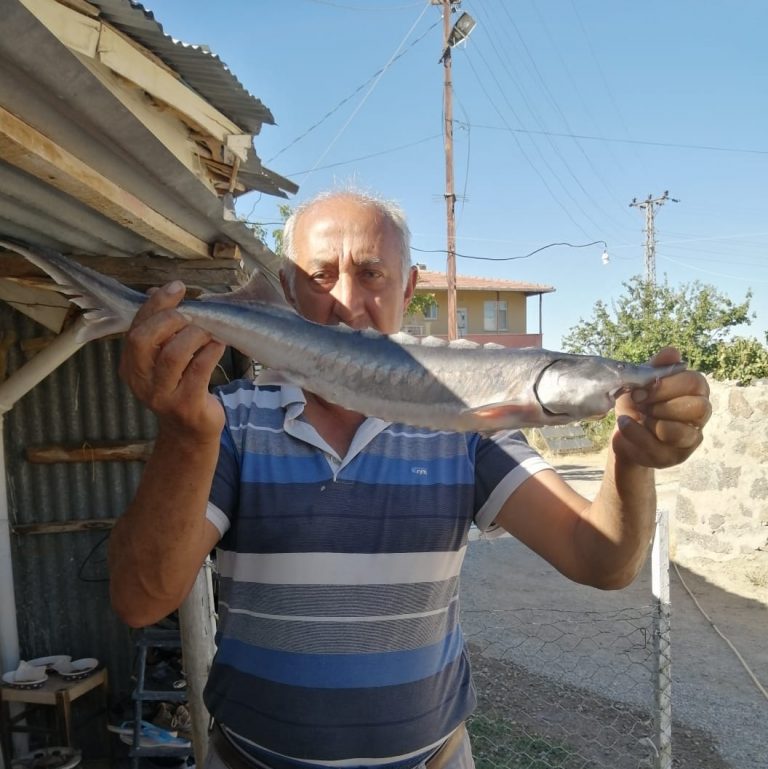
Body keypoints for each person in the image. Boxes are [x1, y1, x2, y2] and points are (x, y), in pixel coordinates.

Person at [108, 189, 711, 769]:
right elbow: (140, 600)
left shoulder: (465, 419)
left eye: (371, 273)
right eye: (319, 276)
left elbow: (600, 559)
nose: (345, 299)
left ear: (410, 288)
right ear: (286, 291)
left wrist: (631, 457)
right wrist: (185, 435)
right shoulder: (226, 421)